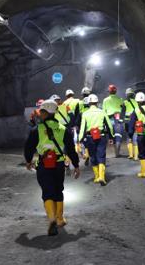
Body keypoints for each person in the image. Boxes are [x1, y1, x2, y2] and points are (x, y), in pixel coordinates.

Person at [24, 99, 80, 236]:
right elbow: (71, 149)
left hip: (43, 165)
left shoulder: (36, 129)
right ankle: (60, 219)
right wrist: (76, 165)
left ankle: (51, 218)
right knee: (58, 190)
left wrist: (28, 161)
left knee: (47, 192)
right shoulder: (63, 129)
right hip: (59, 165)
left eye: (41, 111)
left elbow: (28, 147)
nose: (40, 114)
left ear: (45, 113)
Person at [79, 94, 114, 186]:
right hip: (101, 136)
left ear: (89, 103)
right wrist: (111, 137)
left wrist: (80, 140)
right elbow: (109, 125)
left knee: (93, 156)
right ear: (97, 102)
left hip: (90, 137)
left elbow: (82, 128)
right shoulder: (102, 112)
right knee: (101, 155)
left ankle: (97, 176)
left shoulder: (85, 114)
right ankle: (102, 177)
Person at [102, 84, 125, 157]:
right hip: (118, 117)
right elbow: (123, 109)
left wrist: (104, 122)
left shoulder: (105, 100)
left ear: (109, 92)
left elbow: (104, 112)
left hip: (109, 119)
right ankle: (117, 152)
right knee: (118, 134)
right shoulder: (120, 99)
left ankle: (114, 151)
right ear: (116, 91)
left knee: (111, 135)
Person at [121, 88, 139, 161]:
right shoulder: (137, 102)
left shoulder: (125, 102)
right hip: (136, 121)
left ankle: (131, 155)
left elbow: (122, 112)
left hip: (127, 122)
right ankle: (136, 156)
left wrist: (121, 120)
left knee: (129, 137)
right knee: (135, 137)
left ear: (126, 95)